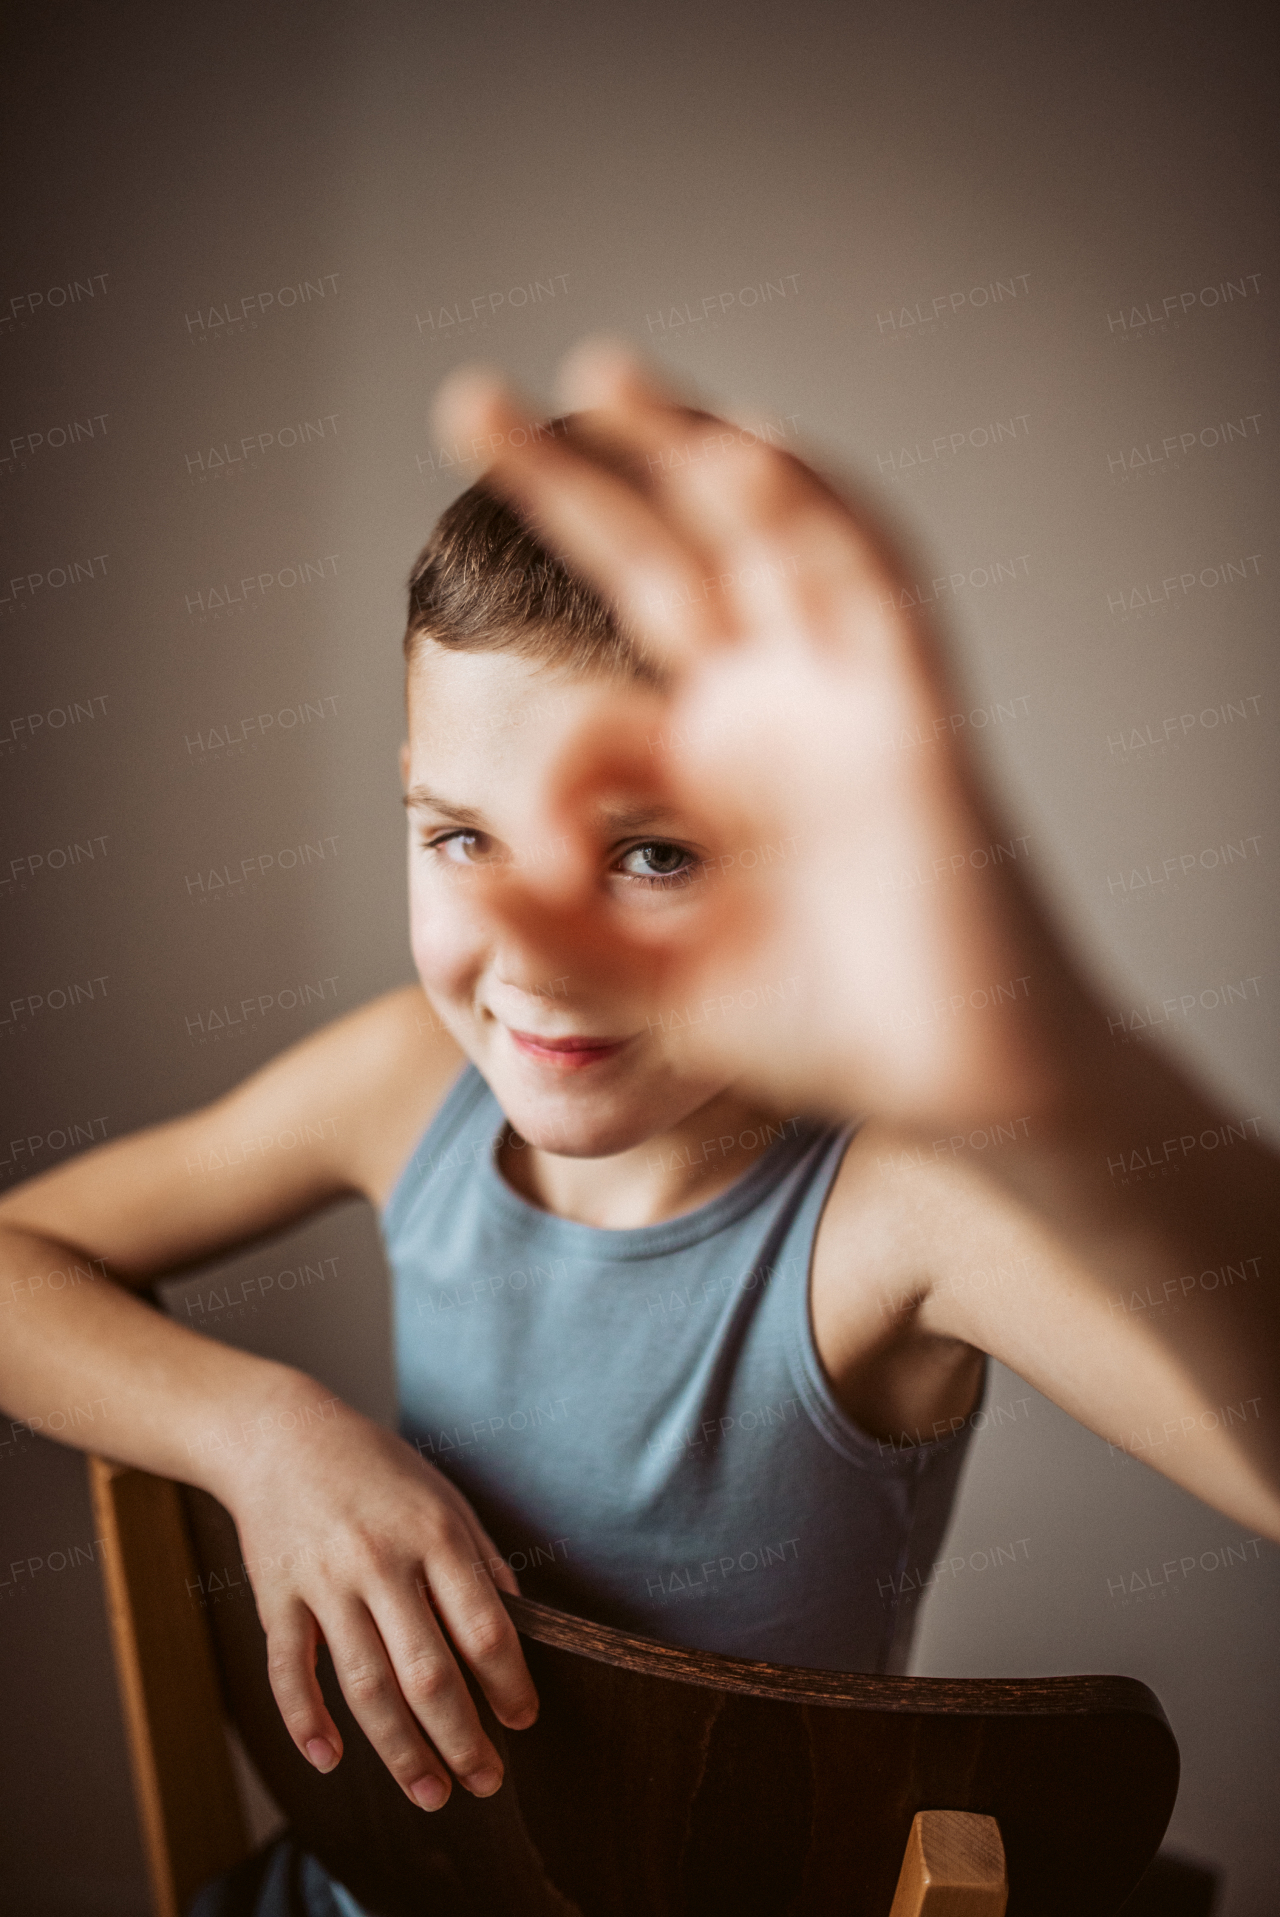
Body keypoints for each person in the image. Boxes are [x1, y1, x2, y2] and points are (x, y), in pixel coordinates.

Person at [0, 346, 1275, 1854]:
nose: (535, 949)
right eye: (462, 836)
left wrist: (1061, 1078)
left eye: (653, 853)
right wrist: (260, 1431)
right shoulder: (407, 1086)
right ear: (407, 787)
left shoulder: (894, 1214)